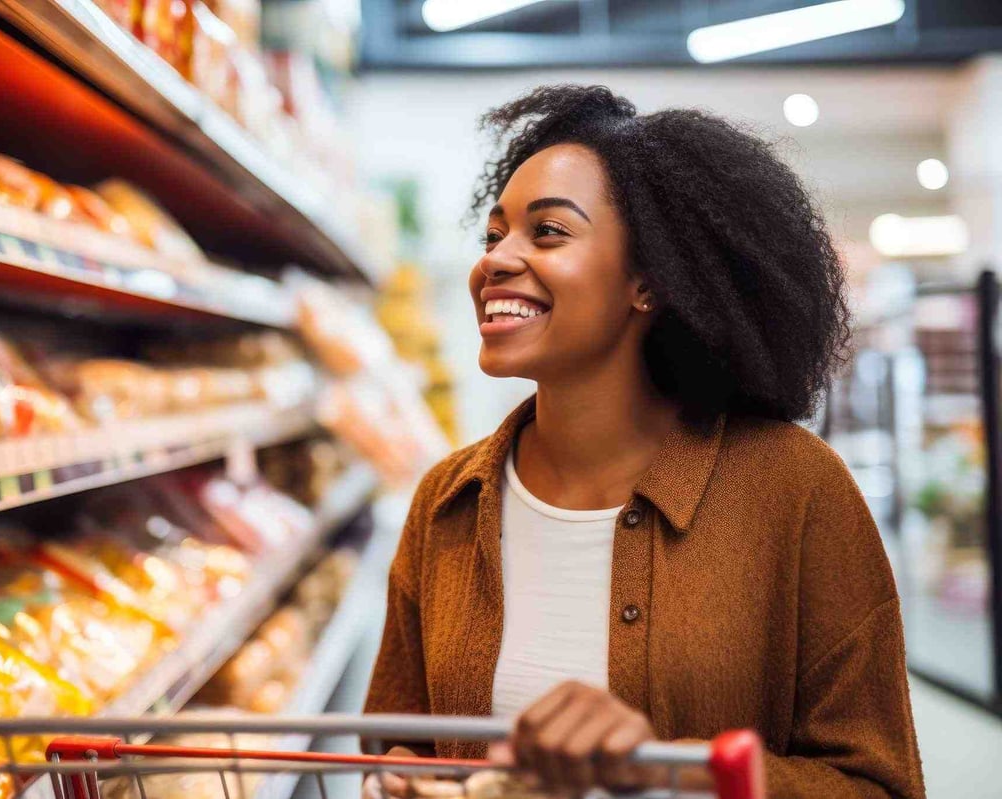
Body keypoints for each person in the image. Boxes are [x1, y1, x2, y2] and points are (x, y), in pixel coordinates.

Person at [363, 84, 924, 798]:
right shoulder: (447, 501)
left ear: (650, 281)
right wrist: (404, 779)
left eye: (548, 232)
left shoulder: (796, 488)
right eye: (493, 234)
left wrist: (666, 771)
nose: (496, 260)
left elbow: (880, 782)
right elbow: (393, 743)